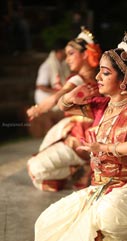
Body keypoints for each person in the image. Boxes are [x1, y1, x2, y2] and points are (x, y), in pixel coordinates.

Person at [34, 31, 127, 241]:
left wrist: (106, 148)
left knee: (109, 215)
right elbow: (65, 106)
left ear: (124, 79)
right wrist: (73, 94)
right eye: (100, 71)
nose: (97, 76)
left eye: (105, 72)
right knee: (47, 227)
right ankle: (109, 234)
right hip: (101, 187)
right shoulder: (101, 106)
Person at [27, 27, 102, 192]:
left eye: (71, 54)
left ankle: (77, 170)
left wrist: (36, 110)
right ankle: (85, 168)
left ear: (85, 54)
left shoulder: (77, 79)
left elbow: (56, 98)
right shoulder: (102, 78)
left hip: (79, 139)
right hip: (97, 141)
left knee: (34, 169)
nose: (67, 59)